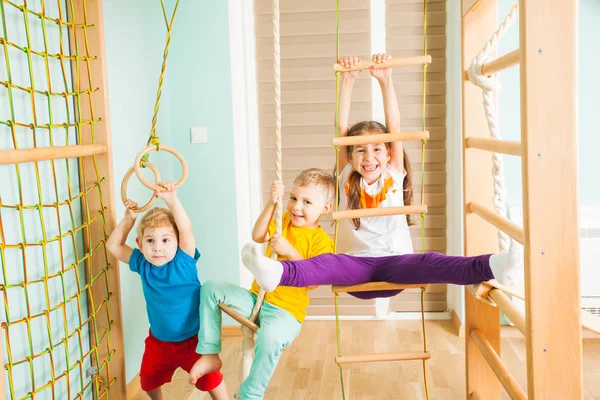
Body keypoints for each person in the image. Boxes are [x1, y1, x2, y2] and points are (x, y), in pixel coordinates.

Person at [241, 53, 520, 298]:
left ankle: (497, 265)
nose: (368, 157)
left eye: (377, 149)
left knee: (433, 262)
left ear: (388, 153)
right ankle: (276, 273)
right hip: (355, 267)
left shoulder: (394, 174)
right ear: (350, 156)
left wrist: (385, 80)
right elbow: (341, 128)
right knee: (325, 263)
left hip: (396, 264)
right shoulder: (347, 177)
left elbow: (394, 125)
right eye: (359, 151)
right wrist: (348, 81)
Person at [188, 169, 335, 400]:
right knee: (210, 288)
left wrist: (289, 251)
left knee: (271, 337)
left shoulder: (322, 241)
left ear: (325, 208)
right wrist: (272, 202)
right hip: (256, 299)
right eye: (294, 198)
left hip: (285, 312)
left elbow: (315, 281)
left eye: (307, 202)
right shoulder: (282, 220)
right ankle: (209, 352)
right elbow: (257, 235)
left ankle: (250, 394)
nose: (297, 207)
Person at [106, 182, 227, 400]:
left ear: (177, 241)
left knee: (210, 379)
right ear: (140, 244)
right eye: (150, 241)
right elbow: (114, 247)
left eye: (165, 240)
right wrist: (128, 221)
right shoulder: (143, 263)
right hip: (160, 341)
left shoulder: (184, 260)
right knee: (148, 380)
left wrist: (172, 200)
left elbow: (186, 229)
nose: (157, 247)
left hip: (193, 340)